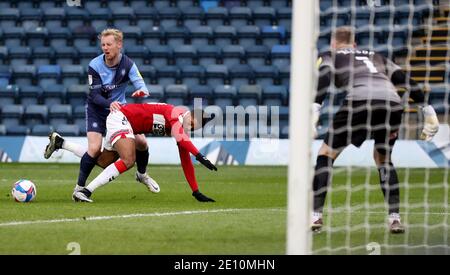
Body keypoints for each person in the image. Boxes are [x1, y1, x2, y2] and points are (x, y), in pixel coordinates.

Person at [311, 26, 439, 234]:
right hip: (392, 104)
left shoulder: (329, 55)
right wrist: (428, 109)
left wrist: (315, 107)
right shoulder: (377, 56)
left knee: (326, 154)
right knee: (383, 159)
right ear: (354, 44)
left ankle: (315, 216)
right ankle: (394, 219)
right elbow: (404, 81)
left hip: (359, 102)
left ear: (334, 43)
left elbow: (324, 76)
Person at [44, 28, 158, 195]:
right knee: (95, 150)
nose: (105, 48)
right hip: (97, 109)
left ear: (119, 44)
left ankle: (142, 175)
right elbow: (95, 96)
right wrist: (110, 103)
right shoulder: (95, 65)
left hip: (119, 113)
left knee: (141, 142)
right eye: (103, 44)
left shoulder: (128, 64)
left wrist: (142, 91)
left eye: (109, 44)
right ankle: (79, 188)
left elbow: (141, 84)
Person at [71, 102, 217, 203]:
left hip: (128, 127)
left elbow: (185, 160)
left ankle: (63, 144)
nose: (189, 127)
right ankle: (85, 191)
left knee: (104, 160)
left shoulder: (180, 128)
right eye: (191, 123)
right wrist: (200, 156)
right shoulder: (175, 113)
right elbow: (184, 141)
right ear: (189, 114)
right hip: (121, 118)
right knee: (128, 160)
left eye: (193, 128)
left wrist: (195, 191)